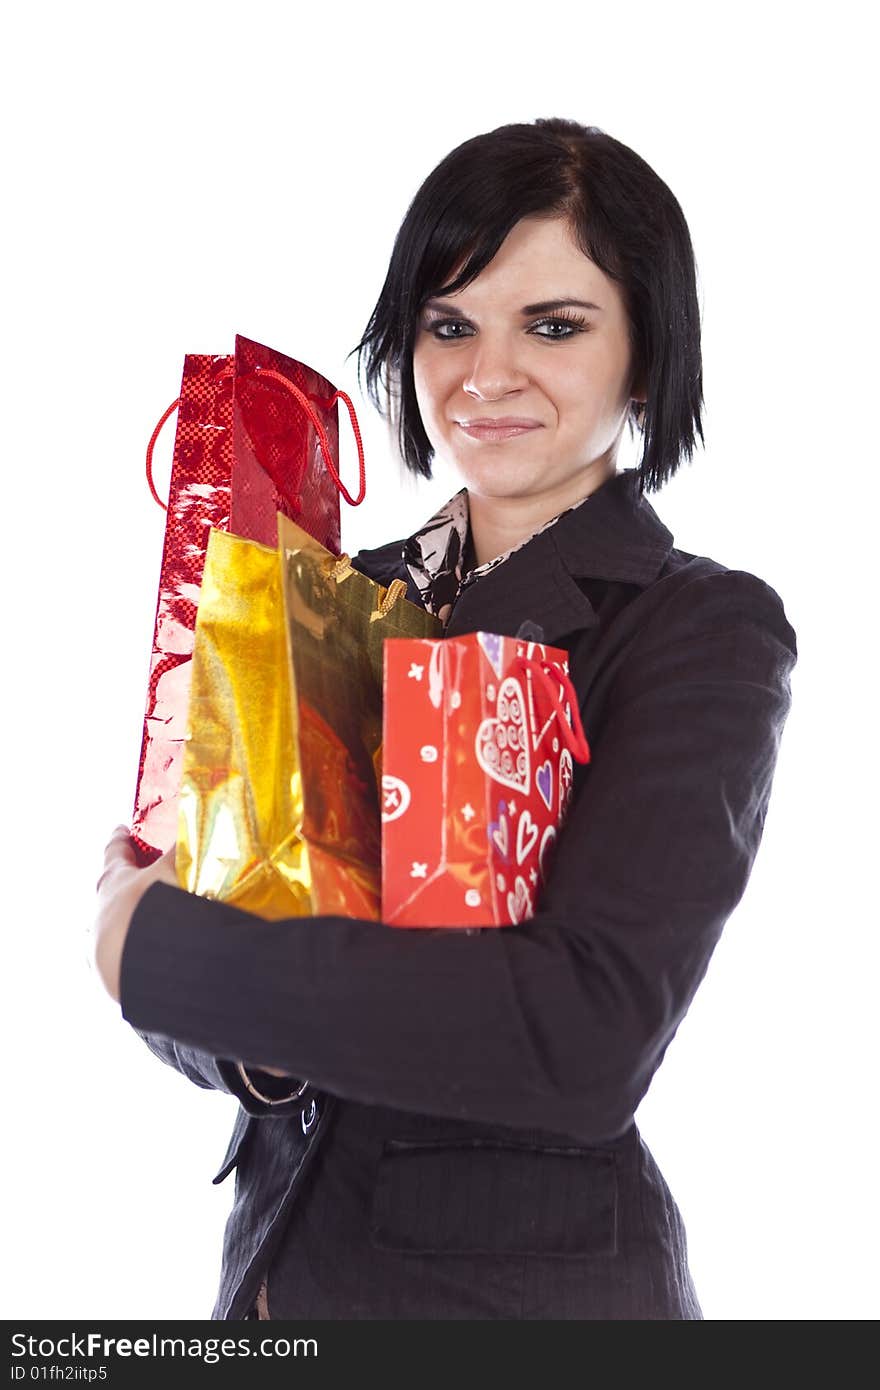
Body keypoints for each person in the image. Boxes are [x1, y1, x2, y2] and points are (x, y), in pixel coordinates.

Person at [93, 117, 798, 1321]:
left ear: (645, 355)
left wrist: (147, 952)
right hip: (274, 1272)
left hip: (521, 1301)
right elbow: (220, 904)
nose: (486, 375)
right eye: (449, 323)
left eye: (555, 326)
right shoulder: (329, 587)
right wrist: (245, 1039)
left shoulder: (699, 628)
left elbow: (580, 1040)